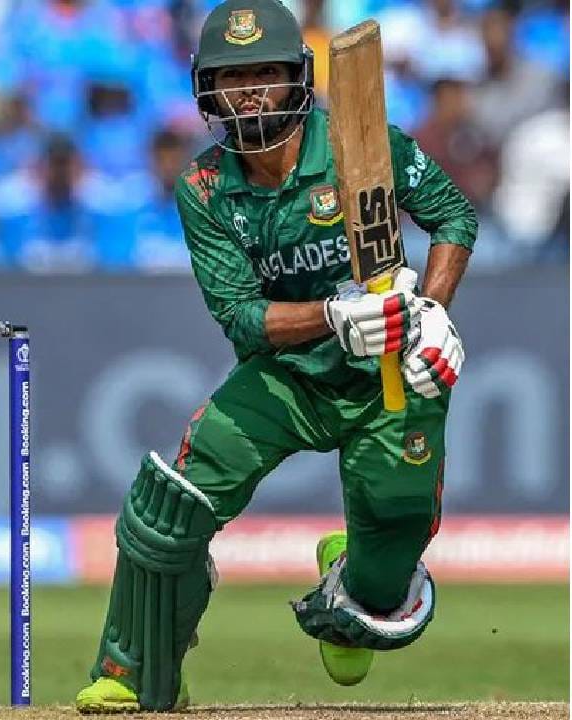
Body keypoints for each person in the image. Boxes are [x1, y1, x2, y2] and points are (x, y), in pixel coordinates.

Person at [74, 0, 474, 712]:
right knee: (170, 506)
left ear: (297, 77)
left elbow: (453, 216)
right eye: (233, 77)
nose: (251, 91)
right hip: (288, 376)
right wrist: (332, 316)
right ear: (207, 90)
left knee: (388, 569)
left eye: (265, 73)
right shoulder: (203, 188)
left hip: (386, 374)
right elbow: (241, 317)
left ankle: (355, 576)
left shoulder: (359, 143)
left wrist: (433, 313)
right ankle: (135, 670)